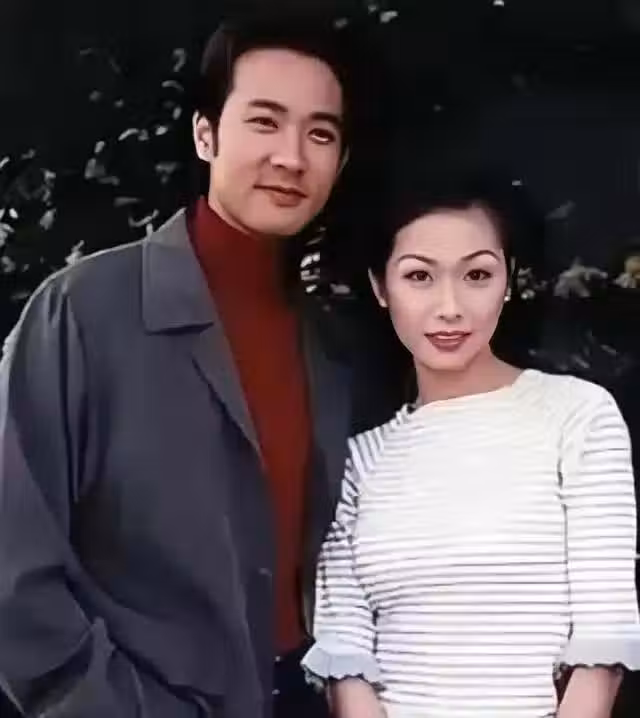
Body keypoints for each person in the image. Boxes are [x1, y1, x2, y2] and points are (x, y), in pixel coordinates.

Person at [0, 13, 394, 718]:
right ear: (205, 135)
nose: (292, 157)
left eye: (320, 133)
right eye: (265, 122)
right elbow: (12, 566)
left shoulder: (334, 344)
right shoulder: (85, 310)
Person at [302, 166, 640, 718]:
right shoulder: (358, 461)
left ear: (508, 280)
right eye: (419, 276)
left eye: (477, 275)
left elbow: (604, 634)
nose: (450, 307)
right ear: (380, 288)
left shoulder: (577, 416)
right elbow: (345, 653)